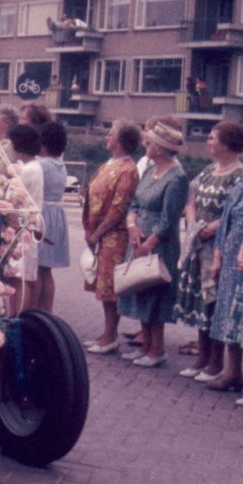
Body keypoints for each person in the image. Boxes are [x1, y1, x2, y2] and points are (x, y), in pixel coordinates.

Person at [173, 121, 243, 380]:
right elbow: (191, 200)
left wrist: (213, 228)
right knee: (200, 301)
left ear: (226, 144)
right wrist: (194, 224)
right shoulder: (207, 171)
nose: (208, 141)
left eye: (213, 137)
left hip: (220, 248)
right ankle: (201, 358)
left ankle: (216, 363)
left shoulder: (240, 175)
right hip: (198, 245)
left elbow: (236, 210)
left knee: (214, 302)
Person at [119, 121, 189, 368]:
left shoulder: (177, 177)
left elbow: (169, 220)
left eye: (149, 142)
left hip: (159, 245)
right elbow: (135, 203)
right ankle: (146, 345)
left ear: (159, 148)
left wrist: (147, 245)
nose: (145, 145)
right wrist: (132, 227)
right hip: (139, 238)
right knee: (141, 289)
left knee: (155, 294)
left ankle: (157, 349)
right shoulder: (149, 170)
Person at [82, 121, 141, 353]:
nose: (107, 136)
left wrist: (96, 233)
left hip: (114, 237)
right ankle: (107, 334)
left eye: (112, 133)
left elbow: (119, 208)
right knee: (103, 287)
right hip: (100, 236)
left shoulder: (127, 170)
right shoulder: (110, 164)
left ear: (122, 141)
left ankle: (110, 336)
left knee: (110, 288)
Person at [207, 147, 243, 404]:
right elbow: (224, 222)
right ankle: (232, 373)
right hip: (229, 261)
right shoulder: (239, 188)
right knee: (229, 317)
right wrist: (217, 256)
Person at [3, 125, 44, 314]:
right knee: (22, 276)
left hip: (21, 226)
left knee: (18, 277)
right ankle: (20, 315)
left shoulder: (26, 170)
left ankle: (17, 316)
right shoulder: (34, 166)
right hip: (27, 225)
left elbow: (12, 199)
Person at [34, 121, 70, 313]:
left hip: (43, 214)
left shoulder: (41, 165)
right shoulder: (60, 164)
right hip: (56, 214)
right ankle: (47, 311)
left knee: (38, 268)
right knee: (46, 270)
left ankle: (36, 311)